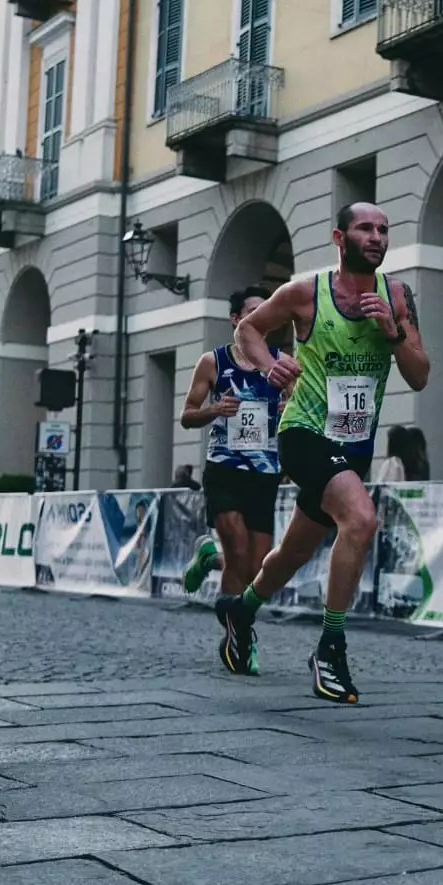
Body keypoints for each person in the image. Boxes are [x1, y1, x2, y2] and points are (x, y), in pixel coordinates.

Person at [221, 202, 430, 702]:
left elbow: (420, 375)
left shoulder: (397, 297)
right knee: (361, 519)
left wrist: (394, 334)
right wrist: (269, 365)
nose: (377, 237)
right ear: (340, 238)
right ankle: (330, 648)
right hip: (304, 433)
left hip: (354, 447)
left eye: (383, 229)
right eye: (365, 228)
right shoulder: (305, 293)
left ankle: (240, 610)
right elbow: (247, 330)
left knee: (294, 551)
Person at [177, 286, 285, 675]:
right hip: (224, 468)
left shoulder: (282, 364)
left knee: (255, 569)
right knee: (238, 552)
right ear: (236, 319)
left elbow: (301, 410)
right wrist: (214, 410)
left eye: (266, 310)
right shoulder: (213, 362)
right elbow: (187, 415)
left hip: (265, 473)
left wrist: (289, 408)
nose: (260, 316)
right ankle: (239, 638)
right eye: (252, 311)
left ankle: (210, 557)